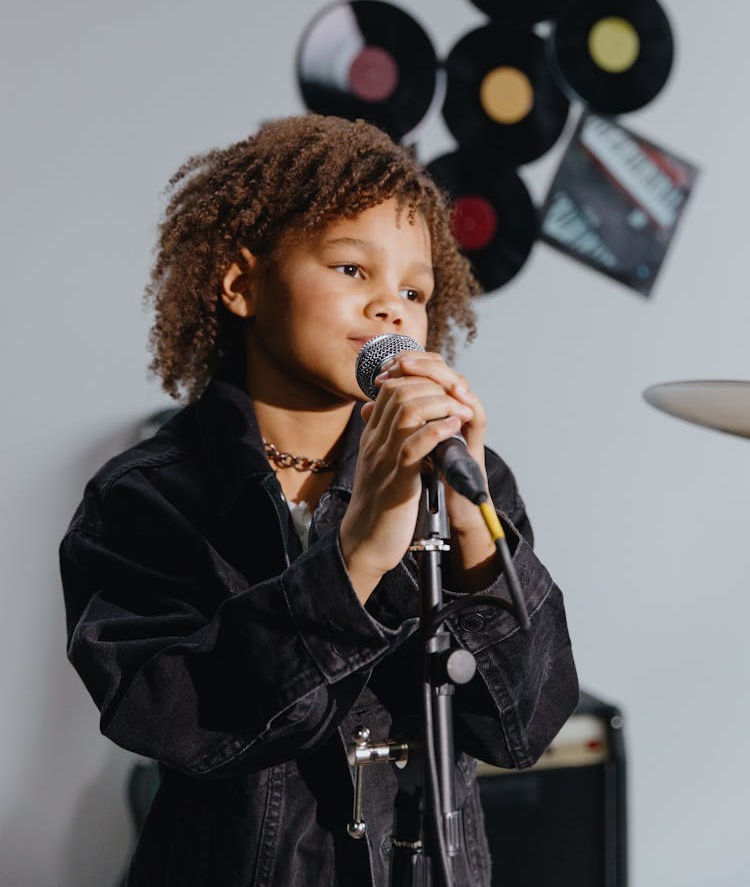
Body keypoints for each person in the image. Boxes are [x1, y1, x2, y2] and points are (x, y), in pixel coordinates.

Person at [60, 114, 578, 887]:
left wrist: (470, 518)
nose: (391, 308)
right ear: (240, 282)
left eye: (414, 289)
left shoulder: (466, 477)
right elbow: (172, 715)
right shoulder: (149, 495)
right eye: (350, 269)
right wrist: (357, 555)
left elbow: (520, 727)